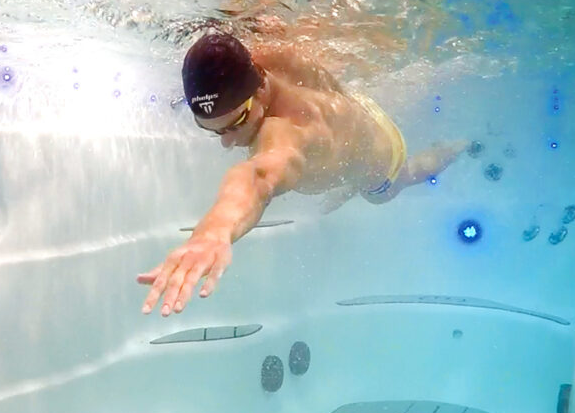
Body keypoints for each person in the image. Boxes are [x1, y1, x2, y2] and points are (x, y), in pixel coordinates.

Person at [137, 32, 468, 317]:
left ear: (261, 91)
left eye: (235, 124)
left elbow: (257, 179)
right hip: (355, 111)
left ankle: (457, 146)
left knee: (394, 184)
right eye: (209, 128)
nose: (226, 143)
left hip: (383, 157)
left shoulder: (287, 133)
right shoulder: (264, 56)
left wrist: (213, 232)